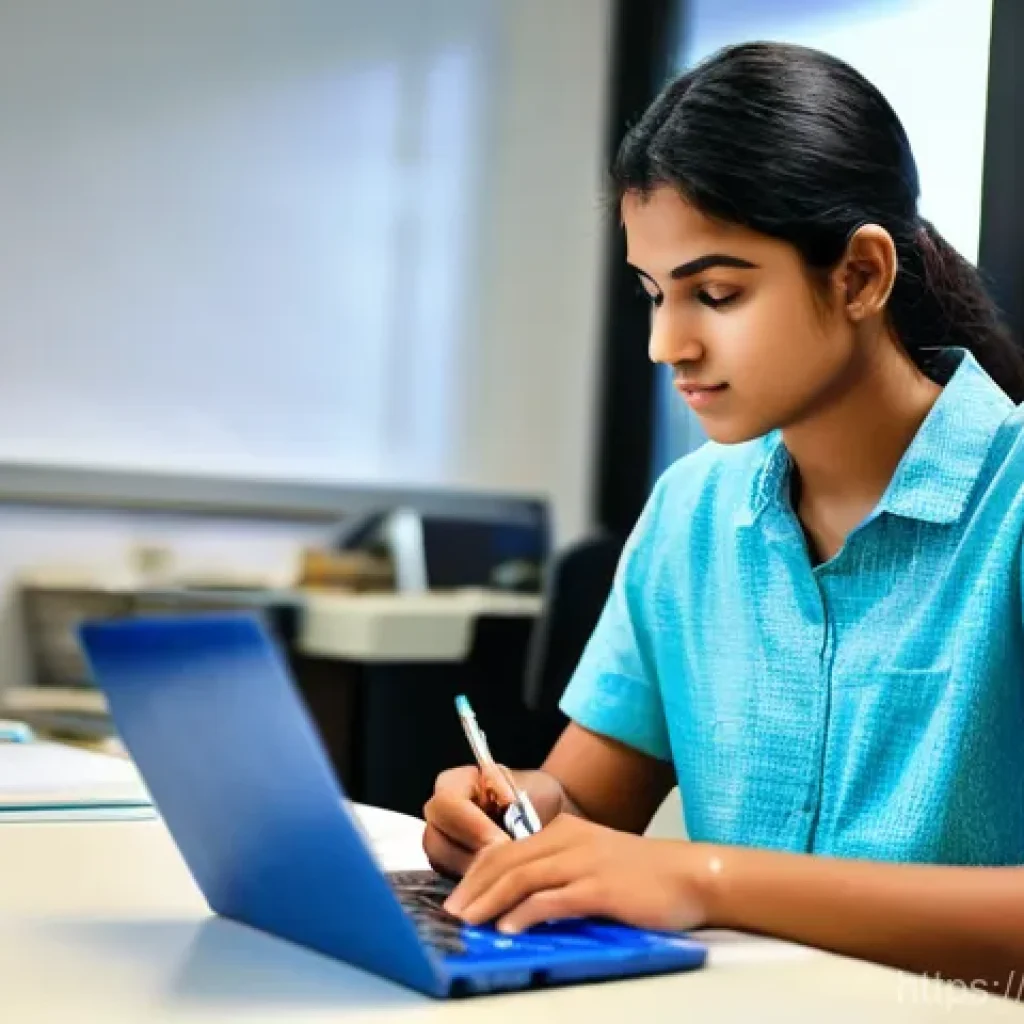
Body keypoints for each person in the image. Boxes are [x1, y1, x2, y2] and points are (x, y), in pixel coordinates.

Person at [423, 41, 1024, 990]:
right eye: (654, 294)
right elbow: (584, 799)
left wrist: (703, 877)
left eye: (716, 293)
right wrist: (516, 813)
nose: (668, 343)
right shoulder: (692, 511)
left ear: (862, 276)